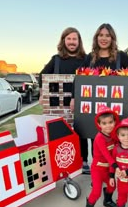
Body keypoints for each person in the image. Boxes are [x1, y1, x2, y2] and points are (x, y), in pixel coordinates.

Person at [38, 27, 90, 174]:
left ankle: (83, 160)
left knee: (81, 132)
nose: (72, 42)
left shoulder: (85, 59)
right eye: (69, 39)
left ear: (79, 41)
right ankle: (60, 161)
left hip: (79, 103)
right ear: (64, 40)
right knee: (59, 133)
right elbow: (42, 76)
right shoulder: (56, 59)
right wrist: (42, 94)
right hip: (57, 104)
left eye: (75, 39)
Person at [81, 23, 128, 117]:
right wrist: (74, 98)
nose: (104, 39)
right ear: (96, 38)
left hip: (118, 108)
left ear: (112, 38)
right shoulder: (90, 58)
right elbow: (79, 78)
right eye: (101, 35)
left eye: (107, 35)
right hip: (95, 109)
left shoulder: (121, 56)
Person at [82, 105, 120, 207]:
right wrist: (116, 165)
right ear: (99, 124)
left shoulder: (114, 136)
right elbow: (107, 156)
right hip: (98, 169)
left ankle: (107, 201)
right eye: (104, 123)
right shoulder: (99, 138)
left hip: (109, 168)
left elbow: (115, 153)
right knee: (96, 191)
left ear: (114, 122)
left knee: (112, 185)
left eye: (110, 122)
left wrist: (112, 172)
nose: (108, 126)